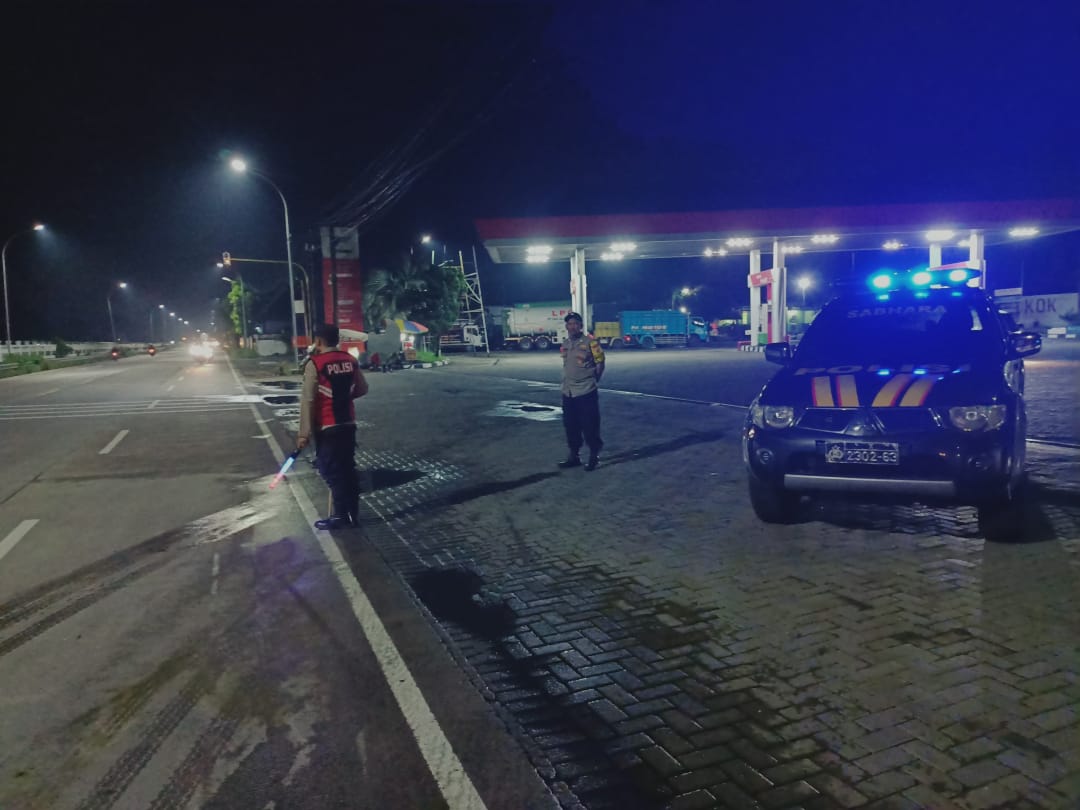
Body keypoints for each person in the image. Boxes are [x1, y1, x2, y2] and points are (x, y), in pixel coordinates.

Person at [297, 324, 369, 530]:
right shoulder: (350, 360)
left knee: (331, 471)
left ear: (318, 341)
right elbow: (362, 388)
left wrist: (304, 434)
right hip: (348, 423)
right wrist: (344, 397)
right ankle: (353, 513)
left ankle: (340, 516)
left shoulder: (315, 363)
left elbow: (309, 400)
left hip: (328, 426)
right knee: (348, 469)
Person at [558, 311, 605, 471]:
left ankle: (594, 456)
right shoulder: (565, 343)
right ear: (566, 326)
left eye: (575, 324)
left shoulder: (592, 342)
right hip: (568, 392)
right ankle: (574, 456)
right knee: (570, 425)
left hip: (586, 391)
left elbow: (600, 362)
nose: (572, 327)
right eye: (569, 324)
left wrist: (594, 379)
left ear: (581, 326)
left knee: (590, 425)